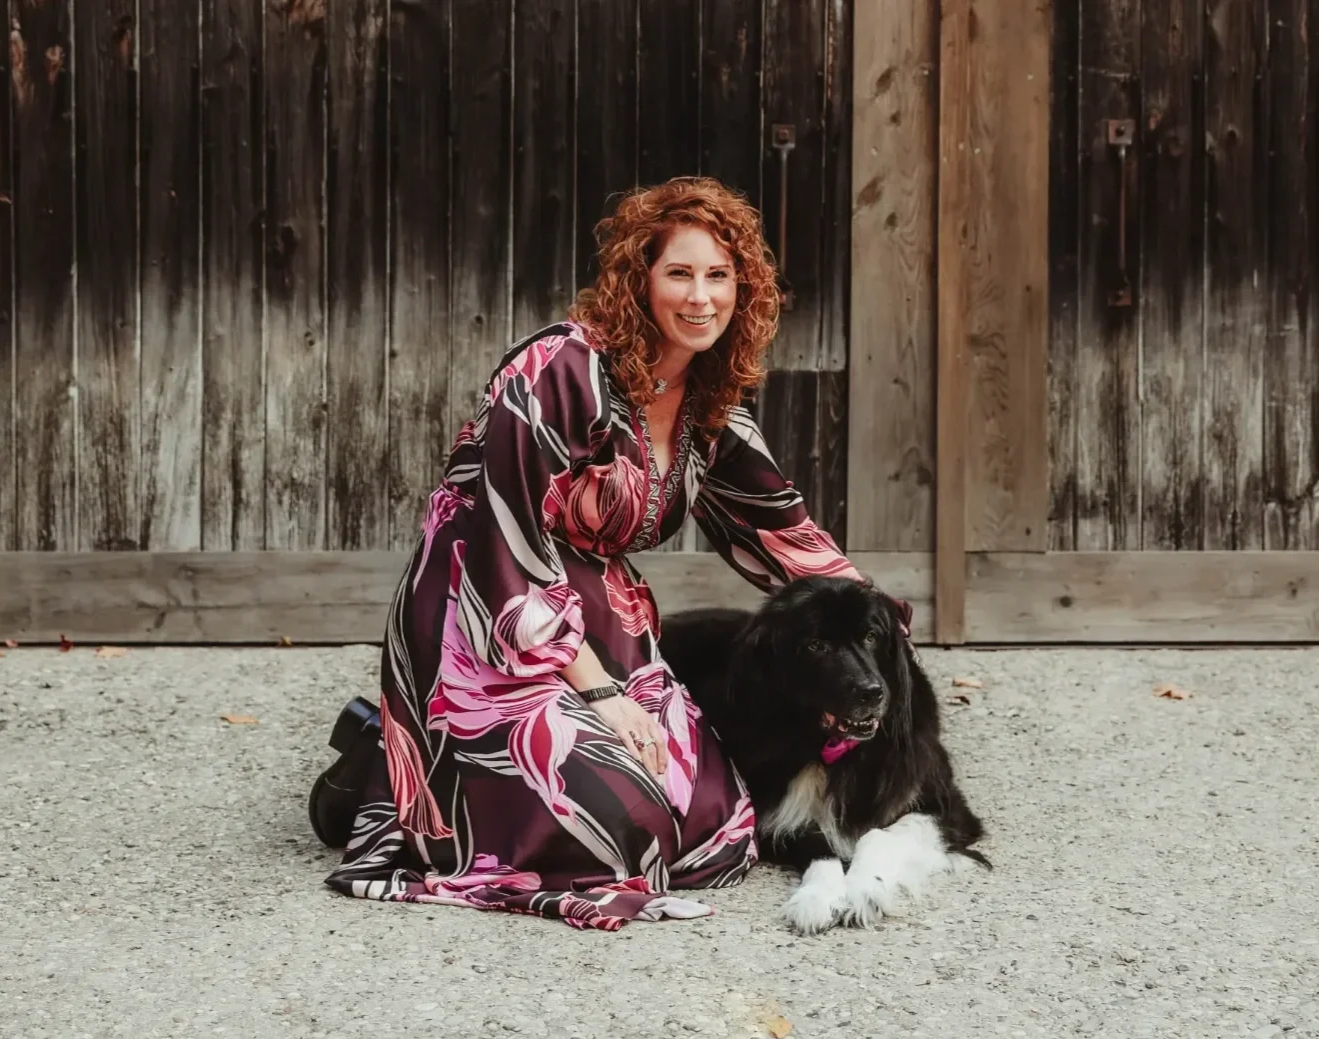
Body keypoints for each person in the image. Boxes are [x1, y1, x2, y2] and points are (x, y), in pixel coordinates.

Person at [308, 176, 910, 930]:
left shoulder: (709, 405)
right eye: (679, 273)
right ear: (639, 278)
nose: (701, 297)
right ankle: (390, 767)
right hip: (483, 601)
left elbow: (785, 534)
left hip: (603, 613)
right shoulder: (557, 371)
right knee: (609, 824)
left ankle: (397, 755)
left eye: (719, 276)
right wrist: (600, 693)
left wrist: (880, 631)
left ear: (743, 289)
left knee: (714, 828)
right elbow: (503, 534)